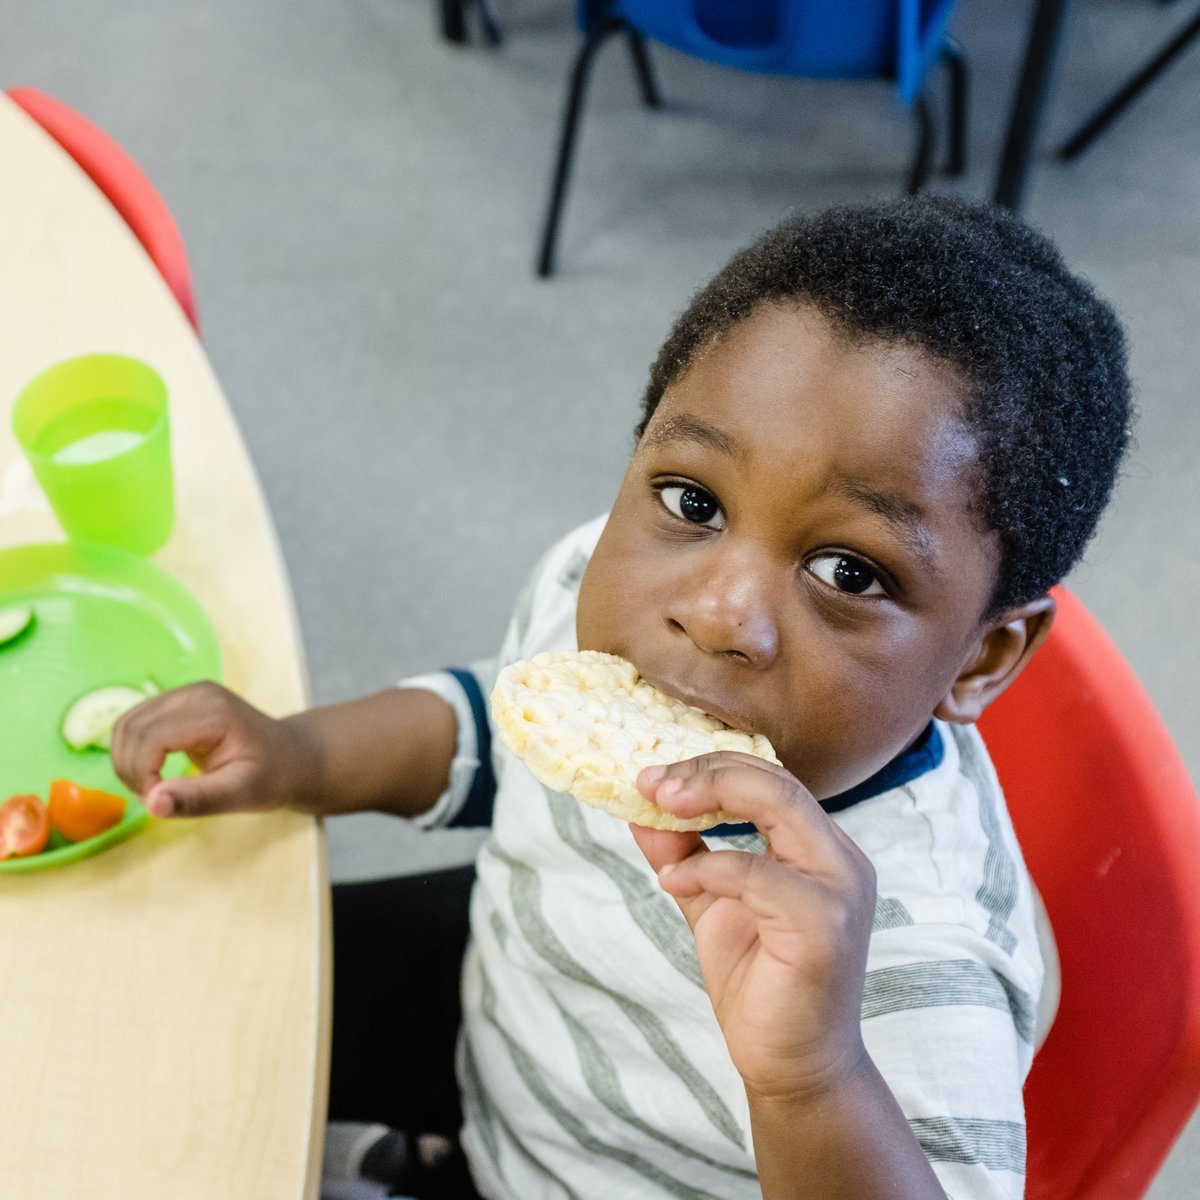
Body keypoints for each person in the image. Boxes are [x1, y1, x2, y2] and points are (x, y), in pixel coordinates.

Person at [111, 194, 1133, 1200]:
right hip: (509, 1057)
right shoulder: (607, 592)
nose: (718, 610)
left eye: (848, 573)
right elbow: (500, 718)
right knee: (144, 1006)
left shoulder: (920, 975)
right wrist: (300, 757)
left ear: (980, 660)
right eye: (694, 501)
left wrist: (811, 1080)